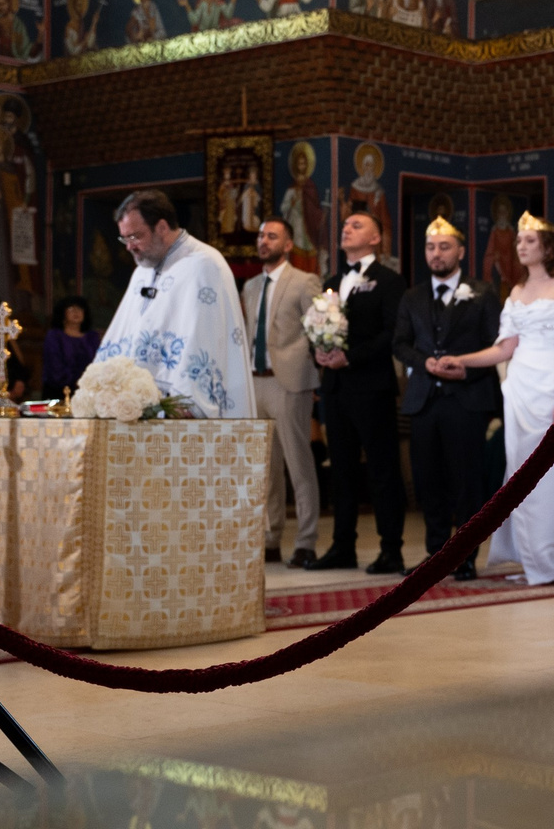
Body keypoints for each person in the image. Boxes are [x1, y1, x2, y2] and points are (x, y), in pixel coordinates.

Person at [446, 214, 554, 586]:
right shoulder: (516, 291)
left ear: (548, 247)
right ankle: (536, 558)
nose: (521, 246)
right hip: (521, 389)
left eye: (529, 240)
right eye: (518, 240)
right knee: (523, 474)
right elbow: (505, 348)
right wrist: (463, 360)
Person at [394, 217, 505, 581]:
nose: (436, 253)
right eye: (430, 247)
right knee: (429, 479)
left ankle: (466, 555)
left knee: (466, 480)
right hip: (425, 399)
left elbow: (497, 345)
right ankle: (434, 554)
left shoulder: (483, 292)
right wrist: (422, 361)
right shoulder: (412, 296)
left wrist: (468, 370)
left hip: (467, 399)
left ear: (460, 251)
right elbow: (400, 344)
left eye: (444, 247)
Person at [95, 190, 256, 417]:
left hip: (181, 412)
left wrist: (188, 400)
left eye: (135, 237)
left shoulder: (203, 265)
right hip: (137, 409)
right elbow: (124, 333)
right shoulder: (142, 271)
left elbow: (203, 340)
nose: (129, 246)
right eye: (124, 238)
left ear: (161, 227)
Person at [314, 211, 408, 573]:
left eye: (356, 225)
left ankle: (391, 548)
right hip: (335, 388)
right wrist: (319, 352)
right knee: (341, 469)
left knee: (382, 469)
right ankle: (342, 546)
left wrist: (349, 357)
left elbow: (390, 334)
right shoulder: (333, 281)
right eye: (344, 225)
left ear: (375, 238)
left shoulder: (389, 281)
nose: (346, 229)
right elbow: (318, 325)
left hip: (371, 386)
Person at [243, 217, 324, 567]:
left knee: (298, 464)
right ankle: (270, 537)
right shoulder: (249, 286)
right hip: (254, 380)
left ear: (288, 244)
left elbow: (321, 330)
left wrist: (317, 370)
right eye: (261, 235)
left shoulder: (304, 282)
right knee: (265, 467)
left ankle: (305, 541)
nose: (264, 241)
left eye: (272, 236)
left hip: (288, 381)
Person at [41, 296, 97, 398]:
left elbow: (98, 362)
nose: (76, 312)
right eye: (71, 309)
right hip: (59, 391)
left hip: (89, 392)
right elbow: (54, 367)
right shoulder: (54, 336)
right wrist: (77, 381)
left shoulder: (92, 337)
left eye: (80, 309)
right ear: (62, 313)